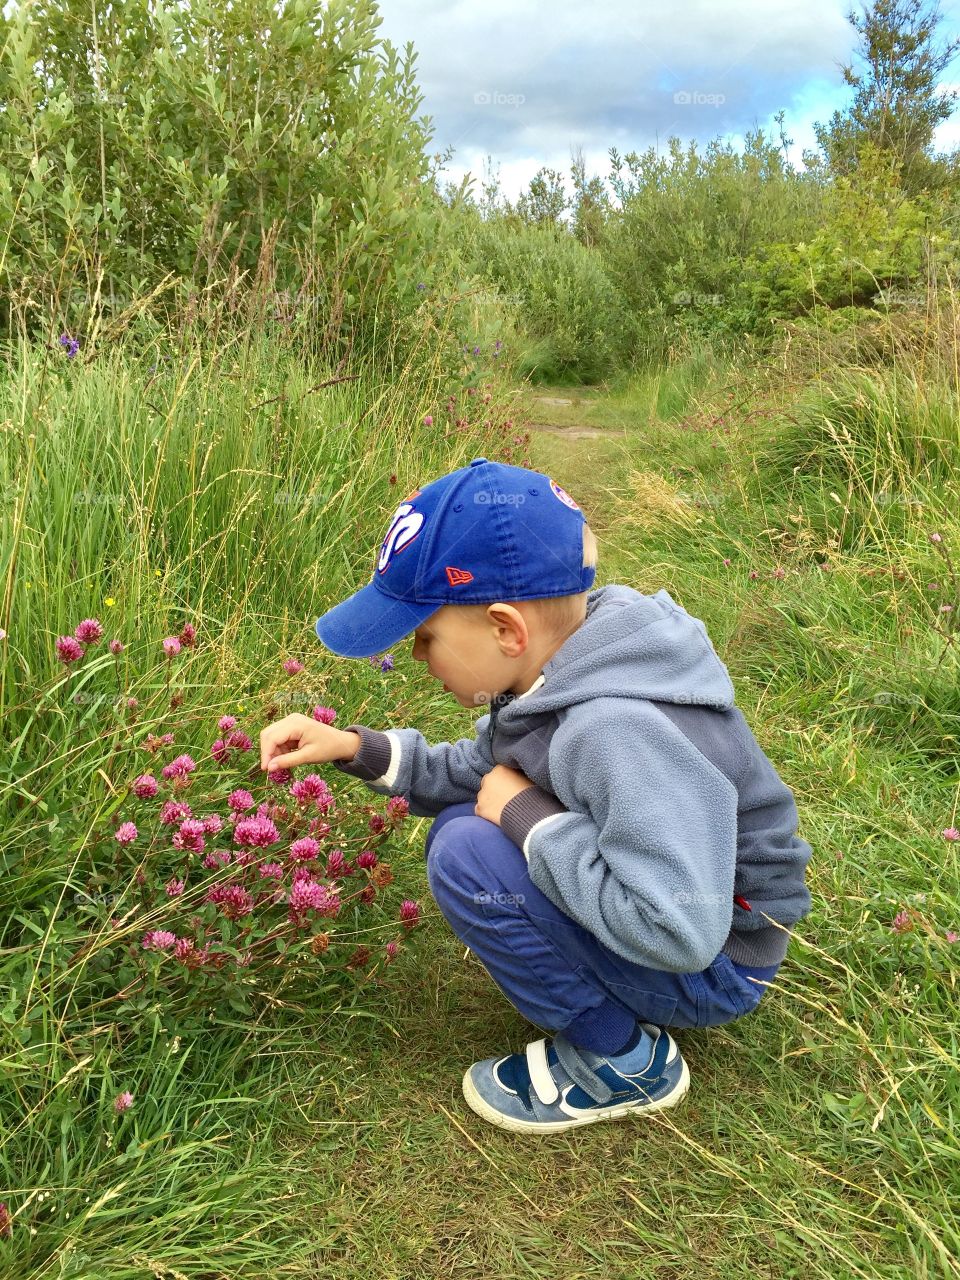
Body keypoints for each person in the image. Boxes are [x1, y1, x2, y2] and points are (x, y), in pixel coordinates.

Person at [258, 456, 813, 1135]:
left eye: (425, 638)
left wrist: (528, 820)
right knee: (470, 824)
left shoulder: (614, 727)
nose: (414, 658)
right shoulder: (563, 667)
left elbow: (682, 930)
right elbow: (479, 771)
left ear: (505, 630)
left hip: (716, 964)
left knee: (468, 848)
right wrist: (353, 748)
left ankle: (623, 1062)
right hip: (677, 915)